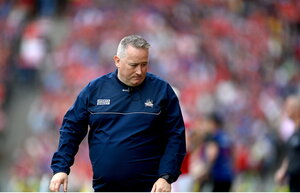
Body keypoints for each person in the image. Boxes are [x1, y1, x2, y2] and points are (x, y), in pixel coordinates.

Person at [49, 34, 186, 192]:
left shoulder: (162, 91)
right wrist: (60, 169)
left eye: (144, 64)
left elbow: (176, 136)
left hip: (152, 188)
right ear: (117, 61)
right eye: (134, 65)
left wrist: (166, 176)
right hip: (105, 188)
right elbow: (71, 129)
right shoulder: (95, 90)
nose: (140, 71)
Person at [196, 113, 234, 192]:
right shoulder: (225, 136)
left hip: (216, 177)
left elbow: (212, 156)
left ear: (212, 123)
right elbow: (232, 154)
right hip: (227, 175)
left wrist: (204, 173)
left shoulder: (214, 137)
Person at [275, 95, 300, 192]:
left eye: (288, 106)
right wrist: (283, 170)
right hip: (293, 181)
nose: (286, 109)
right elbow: (291, 155)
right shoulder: (294, 132)